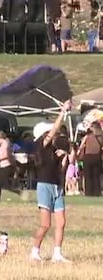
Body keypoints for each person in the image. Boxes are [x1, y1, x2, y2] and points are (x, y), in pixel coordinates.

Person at [30, 100, 72, 263]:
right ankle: (35, 251)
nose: (54, 133)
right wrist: (63, 111)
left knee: (61, 222)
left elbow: (61, 170)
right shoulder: (41, 145)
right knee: (46, 224)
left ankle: (57, 253)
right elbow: (54, 128)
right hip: (45, 186)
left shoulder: (54, 150)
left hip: (57, 186)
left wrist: (65, 158)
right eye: (50, 132)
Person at [0, 130, 19, 201]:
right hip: (2, 165)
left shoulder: (5, 145)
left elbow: (6, 155)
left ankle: (18, 192)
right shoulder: (4, 144)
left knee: (5, 184)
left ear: (0, 138)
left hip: (6, 165)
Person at [77, 122, 102, 197]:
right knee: (96, 176)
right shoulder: (100, 136)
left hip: (88, 157)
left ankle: (89, 193)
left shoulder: (87, 136)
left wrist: (79, 152)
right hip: (97, 157)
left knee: (88, 176)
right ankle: (97, 192)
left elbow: (81, 147)